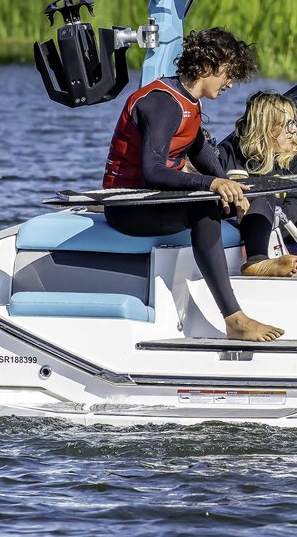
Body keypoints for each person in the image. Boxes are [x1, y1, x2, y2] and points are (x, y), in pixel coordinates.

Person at [98, 28, 285, 342]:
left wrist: (231, 185)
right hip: (129, 206)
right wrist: (211, 184)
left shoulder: (189, 103)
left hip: (160, 200)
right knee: (203, 207)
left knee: (257, 191)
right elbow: (153, 172)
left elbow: (200, 151)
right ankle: (234, 319)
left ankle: (256, 261)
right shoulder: (161, 103)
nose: (230, 83)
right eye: (229, 74)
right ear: (209, 66)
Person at [217, 91, 297, 279]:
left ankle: (257, 261)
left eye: (294, 123)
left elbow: (294, 212)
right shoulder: (228, 153)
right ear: (266, 127)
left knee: (266, 191)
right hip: (231, 222)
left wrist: (250, 196)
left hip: (281, 236)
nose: (294, 130)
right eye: (288, 124)